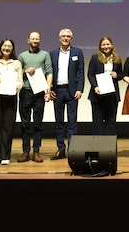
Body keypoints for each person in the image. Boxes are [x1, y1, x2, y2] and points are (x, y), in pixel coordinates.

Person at [17, 31, 53, 163]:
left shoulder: (45, 55)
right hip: (25, 92)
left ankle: (36, 151)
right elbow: (17, 74)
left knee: (38, 124)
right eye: (32, 39)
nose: (35, 41)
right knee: (25, 124)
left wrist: (48, 91)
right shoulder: (22, 56)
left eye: (37, 39)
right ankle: (26, 151)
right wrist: (25, 71)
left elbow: (49, 73)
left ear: (40, 41)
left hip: (39, 93)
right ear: (28, 40)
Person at [49, 28, 85, 160]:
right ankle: (61, 149)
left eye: (68, 36)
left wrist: (80, 89)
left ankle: (73, 149)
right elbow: (49, 72)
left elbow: (81, 72)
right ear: (59, 38)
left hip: (72, 91)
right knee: (59, 121)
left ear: (71, 39)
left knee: (72, 121)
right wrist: (49, 89)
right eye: (63, 36)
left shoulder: (77, 52)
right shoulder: (53, 53)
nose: (65, 38)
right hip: (57, 91)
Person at [87, 36, 123, 136]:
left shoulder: (117, 59)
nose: (106, 46)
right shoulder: (95, 58)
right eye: (103, 45)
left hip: (112, 95)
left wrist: (117, 75)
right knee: (97, 121)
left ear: (112, 45)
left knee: (111, 121)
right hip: (97, 94)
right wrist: (95, 86)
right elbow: (90, 74)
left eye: (108, 44)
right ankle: (98, 145)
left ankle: (109, 145)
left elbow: (121, 74)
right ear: (100, 46)